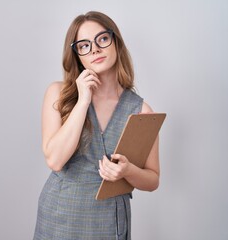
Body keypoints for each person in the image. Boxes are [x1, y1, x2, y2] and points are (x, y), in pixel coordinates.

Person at [33, 11, 160, 240]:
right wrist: (83, 101)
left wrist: (128, 171)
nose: (94, 49)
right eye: (84, 45)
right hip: (60, 215)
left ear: (116, 42)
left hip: (109, 221)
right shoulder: (58, 94)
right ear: (77, 54)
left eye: (102, 39)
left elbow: (153, 180)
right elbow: (55, 160)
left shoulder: (140, 110)